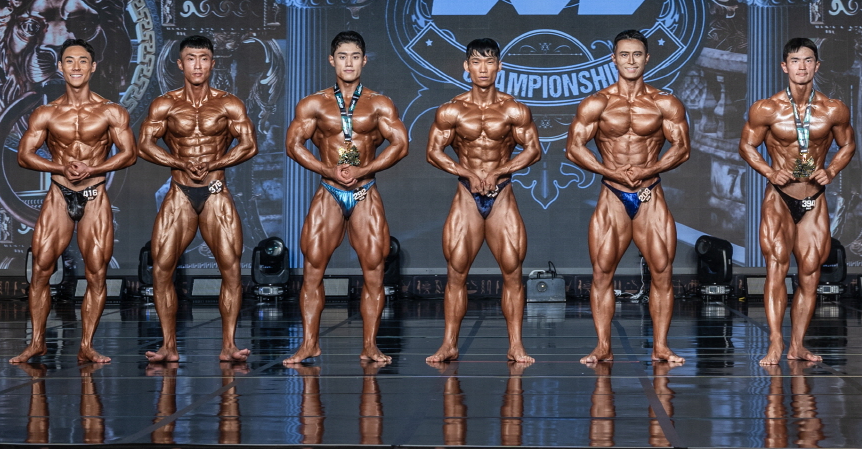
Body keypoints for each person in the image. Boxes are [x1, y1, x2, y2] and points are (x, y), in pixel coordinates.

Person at [282, 31, 409, 365]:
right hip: (329, 190)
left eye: (354, 56)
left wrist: (365, 168)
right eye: (342, 56)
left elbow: (401, 145)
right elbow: (293, 145)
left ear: (364, 61)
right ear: (332, 60)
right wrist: (327, 168)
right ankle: (309, 344)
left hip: (365, 191)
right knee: (312, 269)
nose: (348, 63)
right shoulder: (313, 104)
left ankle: (370, 346)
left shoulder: (380, 104)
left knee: (374, 271)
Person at [566, 29, 691, 365]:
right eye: (624, 54)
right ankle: (603, 346)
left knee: (662, 272)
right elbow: (573, 148)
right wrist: (611, 171)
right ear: (613, 59)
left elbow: (682, 148)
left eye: (637, 54)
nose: (631, 61)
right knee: (601, 272)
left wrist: (650, 168)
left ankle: (661, 347)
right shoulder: (598, 103)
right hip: (613, 194)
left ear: (647, 58)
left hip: (650, 194)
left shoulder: (664, 103)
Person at [10, 39, 136, 364]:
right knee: (41, 270)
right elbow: (24, 155)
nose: (76, 67)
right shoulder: (47, 112)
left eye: (82, 61)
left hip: (94, 195)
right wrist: (60, 168)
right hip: (58, 194)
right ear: (60, 67)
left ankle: (87, 346)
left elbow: (129, 154)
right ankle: (37, 342)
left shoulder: (111, 111)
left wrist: (92, 169)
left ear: (93, 67)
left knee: (96, 273)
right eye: (69, 61)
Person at [138, 35, 258, 362]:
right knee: (161, 270)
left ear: (212, 63)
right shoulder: (164, 105)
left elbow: (249, 145)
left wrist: (215, 164)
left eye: (204, 58)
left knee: (231, 270)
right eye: (191, 58)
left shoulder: (229, 104)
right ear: (180, 64)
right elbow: (144, 145)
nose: (197, 65)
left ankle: (229, 345)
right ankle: (169, 346)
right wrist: (180, 163)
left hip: (216, 192)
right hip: (179, 192)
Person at [425, 38, 542, 364]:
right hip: (467, 195)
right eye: (476, 62)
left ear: (499, 66)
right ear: (467, 67)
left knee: (513, 271)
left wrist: (499, 170)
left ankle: (516, 345)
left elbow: (534, 150)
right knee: (456, 272)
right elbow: (432, 152)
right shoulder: (452, 110)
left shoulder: (513, 109)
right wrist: (467, 172)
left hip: (501, 195)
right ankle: (449, 344)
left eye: (490, 62)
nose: (483, 69)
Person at [739, 38, 855, 364]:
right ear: (784, 66)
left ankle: (797, 345)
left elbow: (847, 145)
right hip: (780, 196)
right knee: (776, 267)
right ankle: (775, 341)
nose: (801, 67)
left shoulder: (834, 109)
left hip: (813, 198)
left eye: (807, 60)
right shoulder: (766, 109)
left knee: (810, 273)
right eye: (795, 60)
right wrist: (768, 171)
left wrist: (831, 170)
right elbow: (746, 145)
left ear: (817, 66)